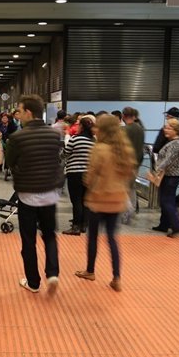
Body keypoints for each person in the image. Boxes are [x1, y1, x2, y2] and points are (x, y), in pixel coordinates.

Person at [5, 94, 64, 294]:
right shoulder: (54, 134)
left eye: (20, 111)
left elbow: (10, 162)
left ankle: (33, 282)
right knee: (49, 235)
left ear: (28, 112)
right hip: (50, 194)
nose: (18, 115)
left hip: (27, 196)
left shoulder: (16, 137)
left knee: (28, 240)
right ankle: (53, 273)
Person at [75, 114, 136, 292]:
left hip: (99, 199)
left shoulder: (99, 149)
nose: (94, 129)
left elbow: (89, 177)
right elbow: (128, 174)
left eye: (97, 127)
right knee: (112, 239)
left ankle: (90, 270)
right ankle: (116, 277)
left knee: (93, 236)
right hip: (117, 200)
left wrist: (89, 183)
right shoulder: (124, 149)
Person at [151, 119, 179, 237]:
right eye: (166, 127)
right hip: (168, 176)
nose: (165, 130)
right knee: (165, 201)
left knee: (167, 201)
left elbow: (167, 160)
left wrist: (157, 170)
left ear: (176, 130)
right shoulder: (173, 142)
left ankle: (176, 226)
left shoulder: (175, 144)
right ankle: (164, 224)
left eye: (169, 128)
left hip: (170, 177)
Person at [62, 114, 95, 235]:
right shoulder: (93, 141)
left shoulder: (75, 139)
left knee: (76, 200)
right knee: (85, 200)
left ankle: (75, 226)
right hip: (88, 174)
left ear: (81, 127)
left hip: (74, 173)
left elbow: (66, 152)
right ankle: (84, 225)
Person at [122, 106, 145, 223]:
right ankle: (133, 208)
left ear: (123, 116)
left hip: (125, 162)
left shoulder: (124, 130)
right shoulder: (140, 129)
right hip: (137, 162)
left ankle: (128, 210)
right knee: (131, 187)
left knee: (123, 187)